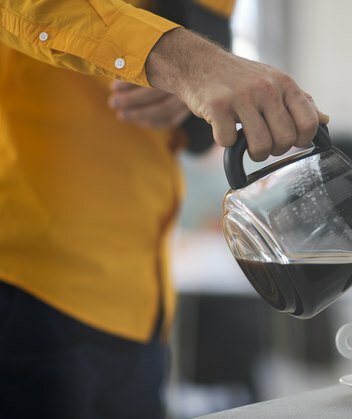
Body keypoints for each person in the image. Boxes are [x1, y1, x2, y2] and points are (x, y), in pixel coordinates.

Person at [0, 0, 329, 418]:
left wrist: (181, 96)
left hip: (142, 304)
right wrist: (186, 63)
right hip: (29, 282)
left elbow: (196, 70)